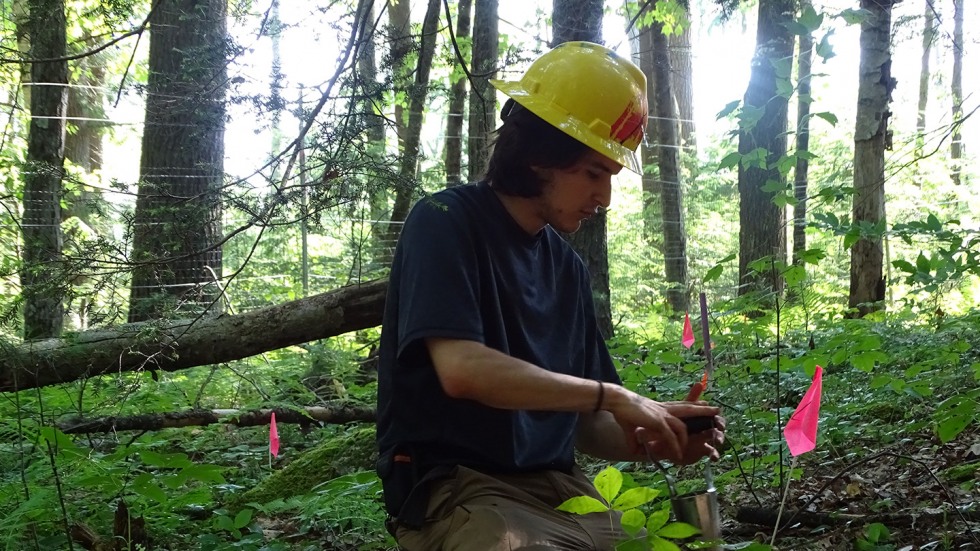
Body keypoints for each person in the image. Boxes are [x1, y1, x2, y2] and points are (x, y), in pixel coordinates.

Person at [376, 41, 725, 551]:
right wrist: (619, 397)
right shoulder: (446, 222)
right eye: (594, 173)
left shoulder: (567, 268)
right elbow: (462, 369)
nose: (604, 198)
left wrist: (657, 436)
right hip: (454, 491)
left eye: (611, 177)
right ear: (541, 155)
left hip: (560, 491)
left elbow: (588, 427)